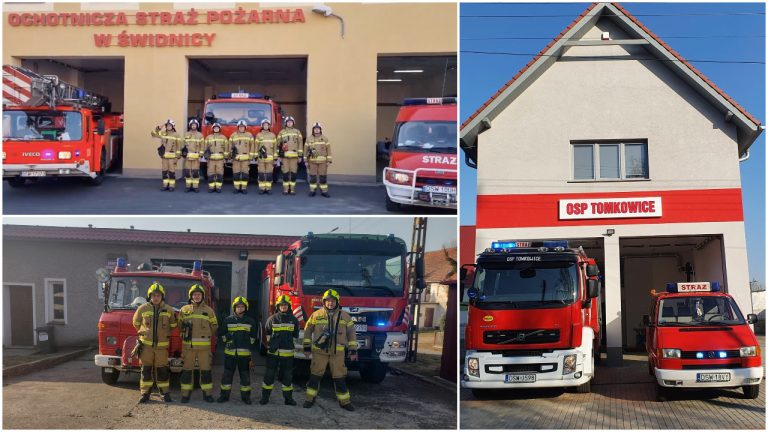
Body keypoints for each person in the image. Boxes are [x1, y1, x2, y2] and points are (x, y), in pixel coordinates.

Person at [303, 289, 357, 411]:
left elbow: (352, 334)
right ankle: (309, 399)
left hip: (337, 354)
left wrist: (353, 350)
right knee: (314, 376)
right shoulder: (316, 315)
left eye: (333, 301)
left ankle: (344, 402)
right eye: (328, 301)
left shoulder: (345, 316)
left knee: (340, 378)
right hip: (319, 353)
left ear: (337, 301)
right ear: (324, 302)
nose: (330, 303)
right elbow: (307, 330)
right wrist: (306, 347)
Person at [132, 282, 178, 403]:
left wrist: (163, 334)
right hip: (146, 347)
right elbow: (136, 323)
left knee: (162, 371)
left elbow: (173, 325)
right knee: (145, 370)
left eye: (158, 295)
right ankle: (145, 393)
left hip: (161, 348)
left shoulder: (169, 310)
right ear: (149, 296)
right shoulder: (142, 308)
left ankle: (164, 393)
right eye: (153, 295)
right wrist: (145, 333)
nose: (156, 298)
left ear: (162, 296)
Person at [178, 284, 218, 403]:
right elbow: (179, 325)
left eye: (199, 294)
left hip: (204, 349)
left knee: (205, 371)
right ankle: (185, 395)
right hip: (188, 348)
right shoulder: (184, 310)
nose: (196, 296)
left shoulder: (209, 311)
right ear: (191, 296)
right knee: (187, 372)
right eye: (194, 294)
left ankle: (207, 395)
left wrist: (206, 334)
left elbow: (214, 326)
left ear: (202, 296)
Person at [260, 294, 300, 405]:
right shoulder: (272, 319)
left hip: (288, 355)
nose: (283, 307)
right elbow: (267, 333)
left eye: (285, 305)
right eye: (281, 305)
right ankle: (265, 398)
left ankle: (288, 399)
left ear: (289, 306)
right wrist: (271, 344)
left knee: (287, 378)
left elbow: (295, 336)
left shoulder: (294, 320)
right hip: (273, 354)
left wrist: (291, 348)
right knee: (269, 376)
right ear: (278, 306)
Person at [217, 296, 257, 404]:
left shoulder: (251, 321)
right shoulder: (227, 320)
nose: (240, 308)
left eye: (242, 306)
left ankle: (246, 398)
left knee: (245, 377)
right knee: (227, 376)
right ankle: (224, 396)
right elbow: (221, 337)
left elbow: (254, 338)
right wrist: (228, 337)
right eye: (238, 307)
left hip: (244, 355)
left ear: (245, 308)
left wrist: (246, 342)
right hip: (230, 354)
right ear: (234, 308)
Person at [150, 119, 182, 191]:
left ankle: (171, 186)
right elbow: (153, 133)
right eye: (167, 125)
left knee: (171, 172)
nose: (168, 127)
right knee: (164, 172)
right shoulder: (163, 133)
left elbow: (179, 147)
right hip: (164, 157)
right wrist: (162, 125)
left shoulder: (176, 135)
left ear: (173, 126)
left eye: (170, 125)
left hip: (172, 157)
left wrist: (177, 157)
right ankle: (165, 185)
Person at [275, 116, 303, 195]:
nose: (289, 123)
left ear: (293, 123)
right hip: (284, 157)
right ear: (286, 123)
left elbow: (300, 144)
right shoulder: (281, 132)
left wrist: (300, 156)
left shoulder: (297, 132)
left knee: (293, 174)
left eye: (291, 122)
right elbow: (277, 144)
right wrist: (278, 156)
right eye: (288, 122)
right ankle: (286, 190)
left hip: (294, 157)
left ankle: (292, 189)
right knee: (285, 174)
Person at [304, 122, 332, 198]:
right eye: (315, 129)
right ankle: (312, 191)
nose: (316, 130)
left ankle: (324, 191)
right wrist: (306, 161)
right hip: (312, 162)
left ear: (320, 130)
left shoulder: (325, 138)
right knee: (313, 177)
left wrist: (329, 160)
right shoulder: (309, 139)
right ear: (313, 130)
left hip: (323, 162)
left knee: (323, 177)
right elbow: (305, 150)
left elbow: (329, 150)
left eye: (318, 129)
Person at [229, 120, 255, 194]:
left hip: (245, 159)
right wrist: (230, 154)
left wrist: (251, 156)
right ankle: (237, 188)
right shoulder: (233, 135)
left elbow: (252, 146)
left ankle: (243, 188)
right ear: (238, 127)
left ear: (245, 127)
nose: (241, 128)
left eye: (242, 127)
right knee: (236, 174)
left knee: (245, 174)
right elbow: (230, 145)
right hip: (236, 158)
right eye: (240, 127)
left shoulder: (249, 135)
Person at [255, 119, 278, 195]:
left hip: (270, 159)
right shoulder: (258, 135)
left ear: (269, 126)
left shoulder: (272, 135)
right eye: (264, 125)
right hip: (261, 158)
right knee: (261, 174)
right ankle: (262, 189)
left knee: (269, 174)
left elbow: (275, 147)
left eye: (267, 125)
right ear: (262, 126)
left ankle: (268, 189)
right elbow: (256, 146)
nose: (266, 126)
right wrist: (255, 156)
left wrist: (275, 158)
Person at [204, 122, 228, 193]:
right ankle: (211, 187)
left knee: (219, 173)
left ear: (219, 129)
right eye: (215, 128)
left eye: (217, 128)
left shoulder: (223, 138)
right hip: (211, 159)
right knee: (211, 173)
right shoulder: (208, 137)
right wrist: (206, 156)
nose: (216, 129)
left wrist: (225, 157)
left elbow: (226, 149)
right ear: (213, 129)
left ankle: (218, 187)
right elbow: (205, 148)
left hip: (220, 159)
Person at [181, 119, 205, 193]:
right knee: (188, 172)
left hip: (196, 157)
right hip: (188, 157)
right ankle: (188, 187)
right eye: (192, 125)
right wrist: (183, 152)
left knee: (195, 172)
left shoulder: (200, 135)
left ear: (197, 126)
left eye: (194, 125)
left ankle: (195, 187)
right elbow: (182, 144)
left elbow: (202, 146)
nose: (193, 126)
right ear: (190, 125)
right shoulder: (186, 134)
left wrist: (200, 155)